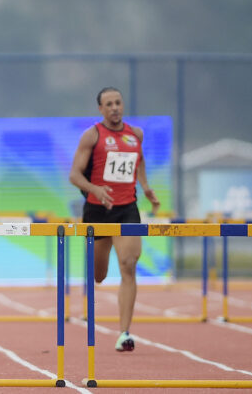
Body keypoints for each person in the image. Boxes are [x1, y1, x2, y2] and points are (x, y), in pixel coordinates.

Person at [69, 86, 160, 353]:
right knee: (99, 275)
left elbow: (138, 161)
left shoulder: (136, 135)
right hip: (97, 210)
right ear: (101, 109)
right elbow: (74, 175)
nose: (114, 108)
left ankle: (124, 333)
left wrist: (145, 187)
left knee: (129, 265)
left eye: (118, 103)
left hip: (127, 209)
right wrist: (96, 189)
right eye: (108, 104)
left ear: (123, 105)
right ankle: (100, 277)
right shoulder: (92, 135)